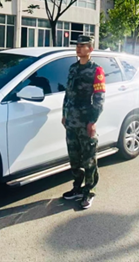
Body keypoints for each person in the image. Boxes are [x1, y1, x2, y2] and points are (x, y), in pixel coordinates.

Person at [61, 35, 105, 209]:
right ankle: (77, 188)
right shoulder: (73, 68)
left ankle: (89, 191)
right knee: (74, 158)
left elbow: (99, 98)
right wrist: (64, 114)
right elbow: (68, 93)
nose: (78, 48)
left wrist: (92, 121)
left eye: (83, 45)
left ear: (91, 49)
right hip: (71, 121)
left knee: (89, 159)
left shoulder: (96, 70)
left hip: (85, 121)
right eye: (78, 45)